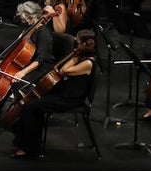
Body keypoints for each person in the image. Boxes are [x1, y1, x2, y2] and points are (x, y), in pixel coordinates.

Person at [9, 28, 97, 158]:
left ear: (87, 44)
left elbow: (64, 71)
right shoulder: (82, 57)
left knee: (30, 107)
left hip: (71, 99)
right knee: (33, 104)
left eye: (78, 43)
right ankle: (28, 144)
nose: (76, 46)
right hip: (65, 92)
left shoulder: (88, 63)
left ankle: (29, 149)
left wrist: (74, 55)